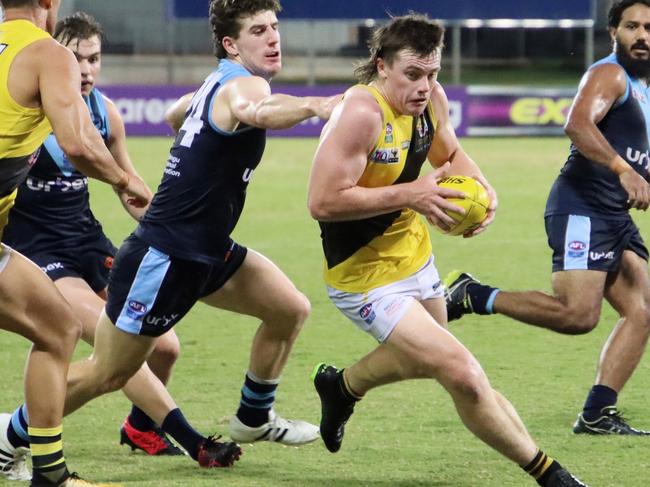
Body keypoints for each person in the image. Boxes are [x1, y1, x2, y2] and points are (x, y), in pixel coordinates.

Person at [41, 0, 339, 459]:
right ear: (231, 44)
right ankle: (14, 432)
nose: (273, 37)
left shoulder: (217, 79)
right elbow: (256, 109)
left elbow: (174, 114)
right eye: (258, 30)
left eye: (275, 26)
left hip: (205, 250)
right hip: (165, 256)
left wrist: (197, 118)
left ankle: (252, 418)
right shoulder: (244, 84)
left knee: (288, 309)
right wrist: (312, 105)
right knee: (108, 373)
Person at [307, 14, 588, 487]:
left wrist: (482, 191)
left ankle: (341, 386)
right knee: (462, 373)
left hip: (416, 257)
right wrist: (412, 194)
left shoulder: (431, 101)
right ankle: (550, 474)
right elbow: (323, 201)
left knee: (424, 358)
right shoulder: (362, 113)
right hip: (364, 276)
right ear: (382, 66)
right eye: (412, 74)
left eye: (432, 73)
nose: (425, 86)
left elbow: (451, 155)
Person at [445, 0, 650, 437]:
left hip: (612, 214)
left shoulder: (642, 85)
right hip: (582, 207)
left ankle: (597, 413)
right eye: (632, 26)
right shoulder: (609, 74)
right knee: (578, 316)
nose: (642, 35)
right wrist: (624, 170)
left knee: (644, 308)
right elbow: (577, 124)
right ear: (614, 31)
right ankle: (474, 294)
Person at [0, 12, 184, 480]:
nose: (84, 68)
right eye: (78, 57)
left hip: (80, 239)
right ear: (47, 3)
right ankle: (28, 453)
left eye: (94, 59)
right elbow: (78, 146)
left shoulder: (95, 104)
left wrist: (161, 225)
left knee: (62, 328)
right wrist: (122, 179)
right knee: (74, 332)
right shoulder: (44, 54)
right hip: (39, 246)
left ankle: (48, 469)